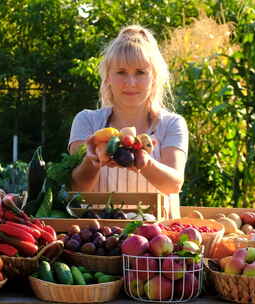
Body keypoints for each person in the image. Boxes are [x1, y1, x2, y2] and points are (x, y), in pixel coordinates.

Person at [68, 25, 188, 219]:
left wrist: (145, 163)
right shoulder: (87, 121)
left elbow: (174, 184)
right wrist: (93, 161)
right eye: (121, 72)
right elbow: (76, 187)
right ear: (108, 77)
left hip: (158, 237)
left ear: (154, 78)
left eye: (140, 72)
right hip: (100, 239)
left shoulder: (172, 124)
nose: (130, 82)